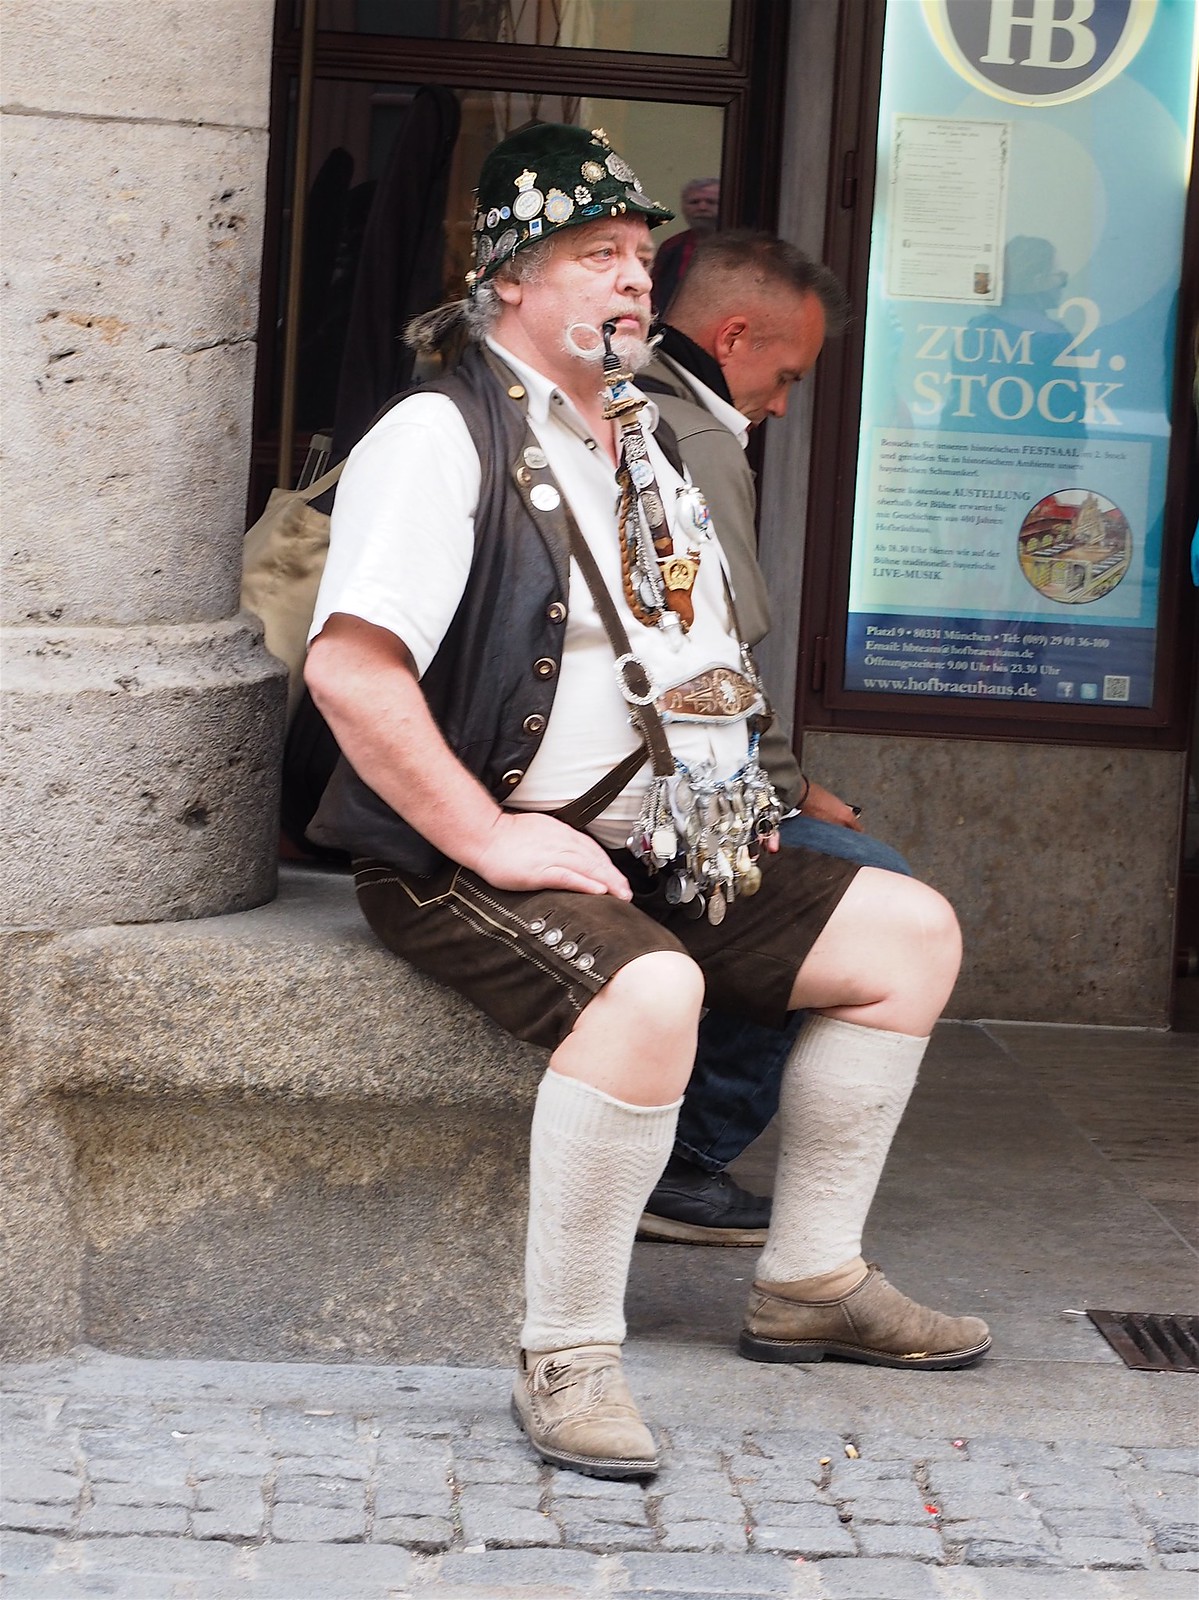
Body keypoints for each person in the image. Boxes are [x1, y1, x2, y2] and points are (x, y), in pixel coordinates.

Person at [304, 123, 990, 1483]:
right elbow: (350, 669)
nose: (628, 279)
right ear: (508, 279)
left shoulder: (634, 435)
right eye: (590, 255)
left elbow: (681, 648)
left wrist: (740, 794)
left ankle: (809, 1279)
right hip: (464, 855)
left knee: (906, 933)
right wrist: (485, 833)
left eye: (634, 254)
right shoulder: (440, 432)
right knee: (652, 992)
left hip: (657, 843)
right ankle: (565, 1353)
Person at [638, 232, 914, 1245]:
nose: (785, 405)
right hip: (659, 784)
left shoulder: (621, 401)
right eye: (786, 376)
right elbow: (722, 655)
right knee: (859, 893)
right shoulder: (696, 437)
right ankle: (686, 1159)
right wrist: (791, 793)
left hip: (612, 771)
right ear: (731, 336)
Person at [650, 176, 719, 316]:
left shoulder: (740, 246)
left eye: (711, 202)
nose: (702, 207)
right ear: (683, 207)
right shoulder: (671, 247)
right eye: (694, 202)